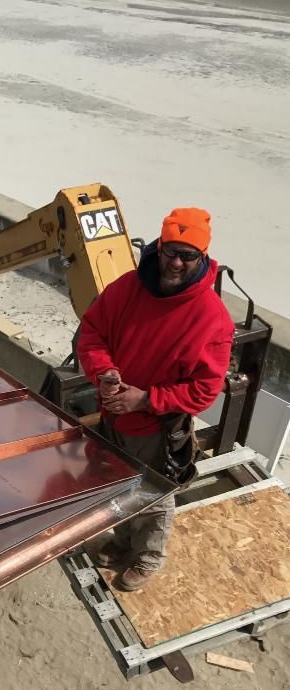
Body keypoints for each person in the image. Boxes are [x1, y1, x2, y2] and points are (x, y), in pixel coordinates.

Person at [77, 207, 234, 591]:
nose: (176, 263)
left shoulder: (212, 319)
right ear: (158, 247)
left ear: (203, 258)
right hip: (114, 413)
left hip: (156, 426)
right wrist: (105, 374)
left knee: (154, 492)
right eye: (170, 252)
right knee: (118, 482)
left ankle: (148, 558)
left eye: (188, 255)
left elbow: (204, 390)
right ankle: (125, 541)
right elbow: (92, 332)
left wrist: (146, 399)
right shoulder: (129, 288)